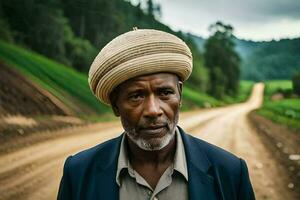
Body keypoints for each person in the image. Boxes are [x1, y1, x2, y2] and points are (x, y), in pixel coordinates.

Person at [57, 29, 255, 200]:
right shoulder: (78, 172)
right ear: (115, 106)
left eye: (165, 93)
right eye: (136, 96)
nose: (153, 110)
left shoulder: (230, 172)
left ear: (180, 94)